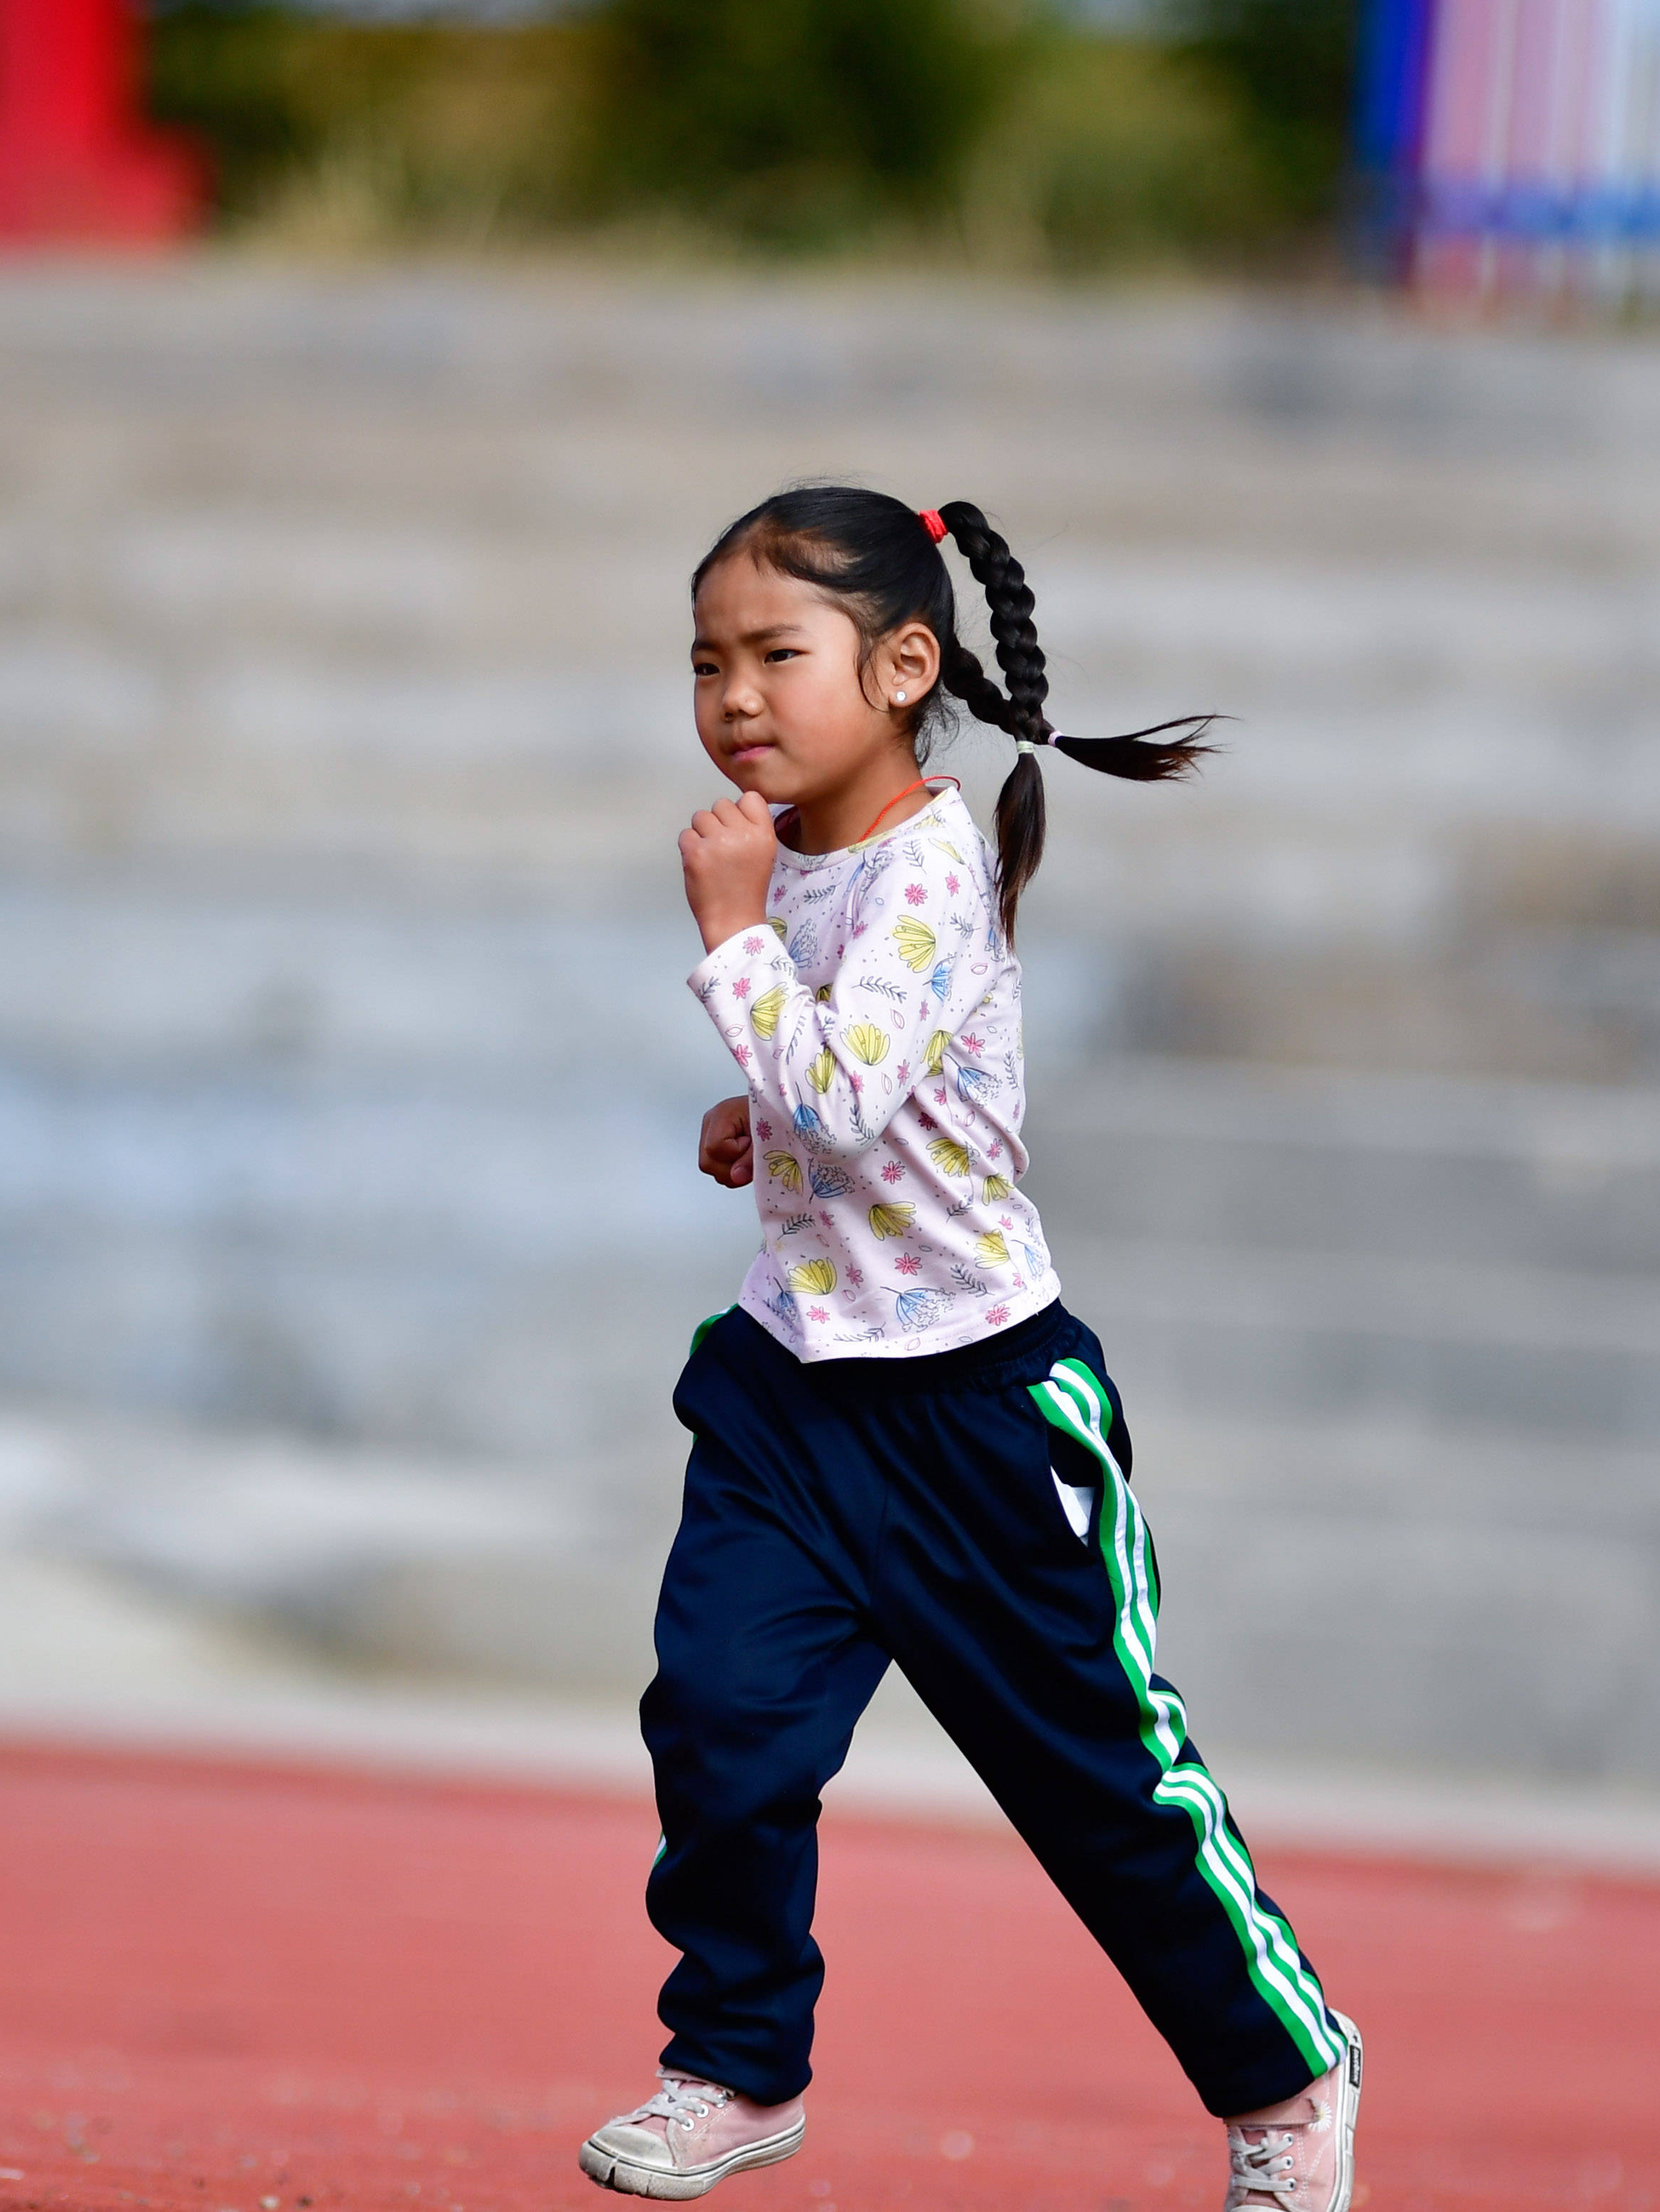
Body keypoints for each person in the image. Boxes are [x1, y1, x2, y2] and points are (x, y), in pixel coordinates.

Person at [579, 487, 1358, 2212]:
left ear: (903, 662)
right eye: (707, 662)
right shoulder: (796, 852)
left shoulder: (929, 858)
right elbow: (849, 1096)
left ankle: (1289, 2078)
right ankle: (735, 2061)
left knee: (1099, 1783)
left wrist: (728, 952)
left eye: (776, 655)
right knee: (717, 1717)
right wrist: (754, 1109)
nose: (733, 698)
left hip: (981, 1419)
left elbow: (850, 1085)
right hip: (792, 1396)